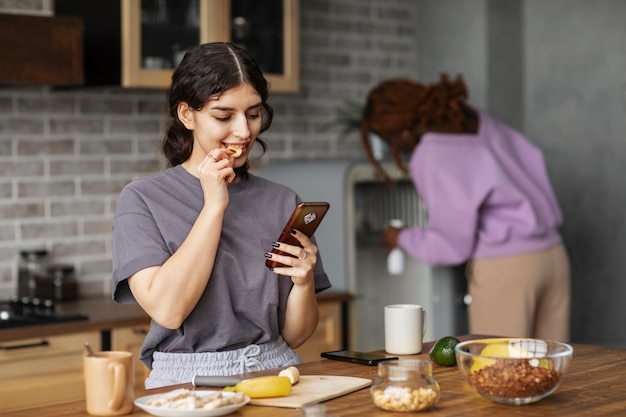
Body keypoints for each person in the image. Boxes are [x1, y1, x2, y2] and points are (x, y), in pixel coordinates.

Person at [111, 42, 331, 389]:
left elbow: (295, 335)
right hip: (188, 381)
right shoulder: (142, 199)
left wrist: (303, 283)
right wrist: (214, 205)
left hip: (276, 370)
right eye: (224, 116)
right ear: (187, 115)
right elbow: (168, 310)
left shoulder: (283, 200)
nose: (244, 131)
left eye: (254, 113)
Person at [359, 74, 570, 341]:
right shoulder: (476, 120)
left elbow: (451, 246)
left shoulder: (432, 155)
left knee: (497, 373)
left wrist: (400, 237)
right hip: (554, 256)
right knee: (547, 371)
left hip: (507, 268)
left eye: (389, 141)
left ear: (402, 132)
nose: (394, 148)